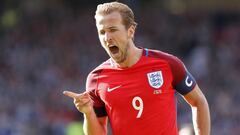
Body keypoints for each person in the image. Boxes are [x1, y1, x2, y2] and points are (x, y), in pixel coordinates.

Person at [63, 1, 211, 135]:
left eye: (113, 29)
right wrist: (88, 113)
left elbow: (199, 102)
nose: (107, 37)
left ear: (130, 31)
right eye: (102, 32)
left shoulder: (167, 64)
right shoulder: (96, 79)